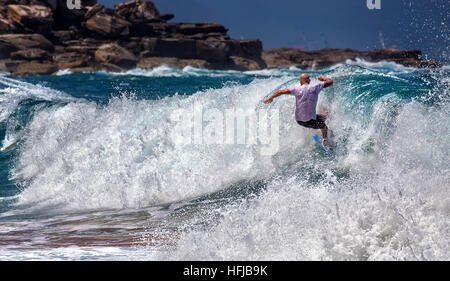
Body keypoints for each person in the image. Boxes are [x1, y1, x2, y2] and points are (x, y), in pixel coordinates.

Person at [264, 73, 333, 146]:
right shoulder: (315, 87)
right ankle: (325, 140)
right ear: (309, 80)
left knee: (323, 117)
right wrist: (323, 78)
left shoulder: (296, 89)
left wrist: (270, 98)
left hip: (299, 121)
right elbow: (330, 82)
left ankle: (312, 128)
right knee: (324, 126)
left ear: (301, 81)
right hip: (310, 121)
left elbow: (280, 92)